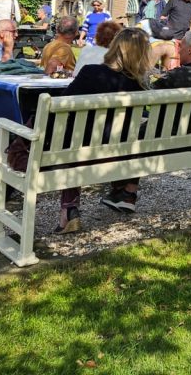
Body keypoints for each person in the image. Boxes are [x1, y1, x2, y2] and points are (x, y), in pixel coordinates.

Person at [101, 30, 191, 213]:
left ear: (190, 50)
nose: (177, 52)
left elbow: (146, 84)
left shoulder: (175, 77)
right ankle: (124, 191)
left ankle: (125, 192)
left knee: (129, 134)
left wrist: (144, 70)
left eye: (181, 47)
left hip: (172, 136)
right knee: (141, 131)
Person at [50, 27, 154, 233]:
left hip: (81, 152)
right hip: (120, 153)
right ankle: (124, 194)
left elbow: (59, 105)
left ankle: (70, 210)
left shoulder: (90, 72)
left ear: (115, 47)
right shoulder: (140, 85)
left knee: (67, 135)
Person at [152, 0, 191, 69]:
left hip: (185, 38)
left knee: (181, 63)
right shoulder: (173, 1)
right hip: (173, 37)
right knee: (172, 64)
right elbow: (163, 16)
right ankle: (169, 78)